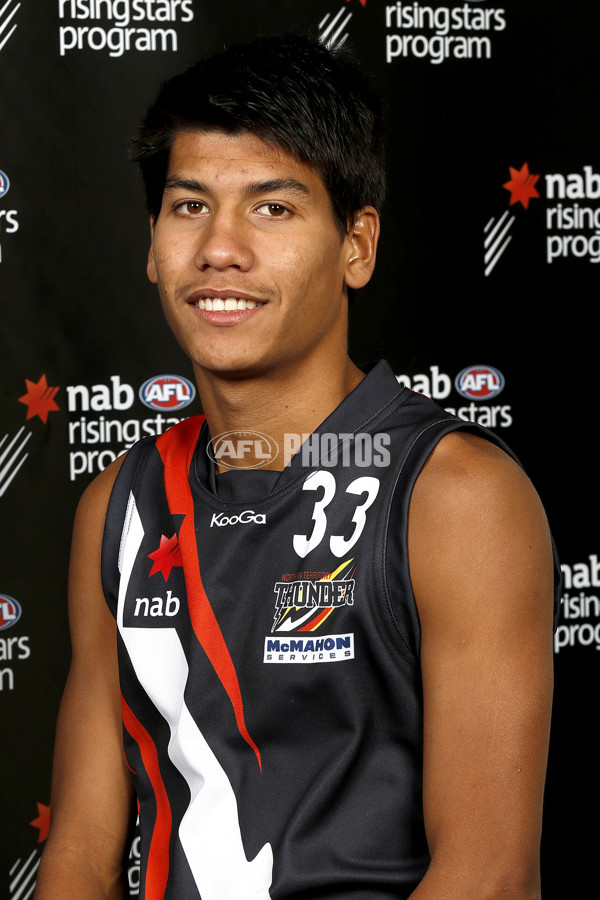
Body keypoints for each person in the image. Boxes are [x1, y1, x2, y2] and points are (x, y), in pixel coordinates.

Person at [34, 34, 558, 900]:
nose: (221, 250)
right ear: (154, 244)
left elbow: (491, 876)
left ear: (357, 245)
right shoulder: (119, 506)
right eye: (189, 207)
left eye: (272, 209)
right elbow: (81, 858)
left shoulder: (454, 496)